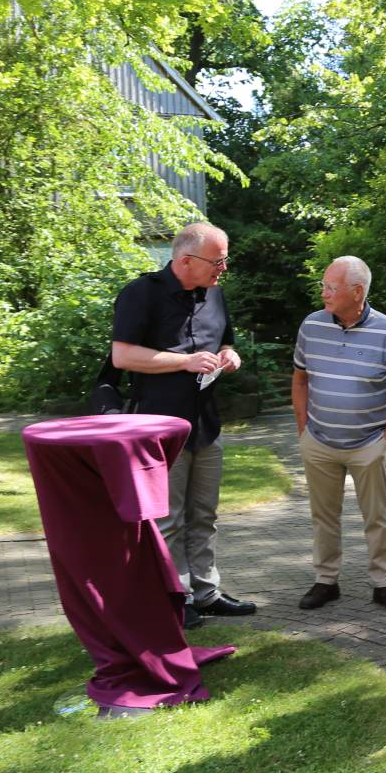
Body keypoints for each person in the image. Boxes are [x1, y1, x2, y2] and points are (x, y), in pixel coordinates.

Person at [111, 221, 255, 630]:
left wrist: (230, 356)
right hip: (158, 426)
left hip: (205, 423)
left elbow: (225, 341)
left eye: (225, 259)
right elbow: (122, 356)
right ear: (186, 260)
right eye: (218, 260)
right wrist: (184, 361)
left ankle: (207, 592)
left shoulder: (215, 295)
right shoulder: (140, 294)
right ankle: (174, 596)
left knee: (205, 514)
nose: (223, 268)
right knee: (169, 517)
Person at [292, 256, 386, 613]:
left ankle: (384, 583)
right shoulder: (311, 326)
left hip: (367, 444)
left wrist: (384, 440)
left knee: (377, 518)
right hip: (318, 440)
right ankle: (326, 581)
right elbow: (300, 378)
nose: (324, 292)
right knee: (323, 516)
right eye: (324, 285)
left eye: (332, 287)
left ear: (357, 291)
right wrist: (303, 429)